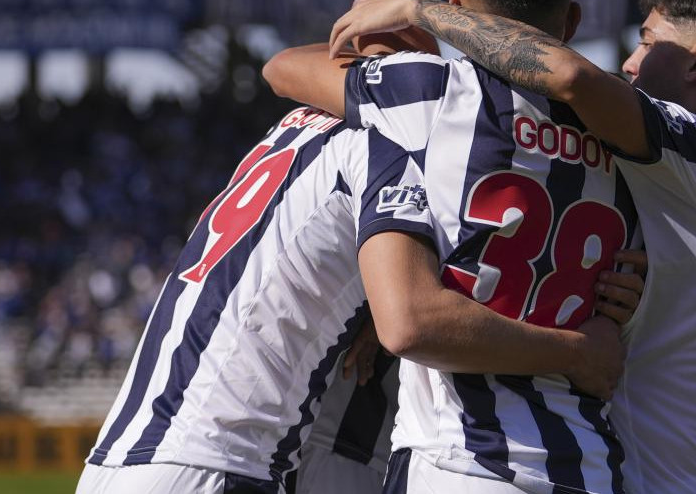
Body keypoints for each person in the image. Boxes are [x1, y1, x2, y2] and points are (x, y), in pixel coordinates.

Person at [320, 0, 696, 493]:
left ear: (695, 62)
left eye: (647, 42)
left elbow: (572, 77)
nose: (629, 64)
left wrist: (420, 11)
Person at [76, 92, 645, 492]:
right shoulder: (385, 148)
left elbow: (282, 68)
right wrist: (578, 349)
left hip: (120, 455)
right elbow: (414, 320)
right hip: (229, 463)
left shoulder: (279, 135)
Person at [264, 0, 643, 493]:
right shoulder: (632, 139)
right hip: (591, 465)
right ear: (571, 22)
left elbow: (282, 68)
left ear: (457, 11)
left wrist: (409, 30)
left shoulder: (427, 92)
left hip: (464, 462)